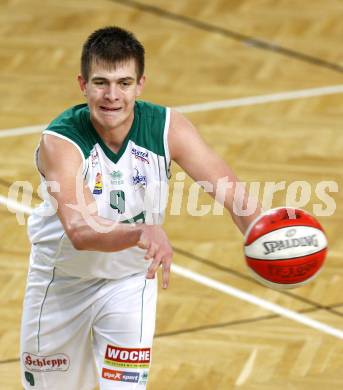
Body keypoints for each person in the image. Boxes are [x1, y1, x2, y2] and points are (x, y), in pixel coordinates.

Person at [20, 26, 261, 390]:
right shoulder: (61, 141)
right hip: (62, 282)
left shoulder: (168, 128)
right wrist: (141, 231)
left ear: (140, 84)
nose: (112, 95)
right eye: (101, 82)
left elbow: (234, 195)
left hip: (130, 283)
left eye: (124, 83)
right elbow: (81, 231)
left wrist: (266, 230)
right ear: (82, 84)